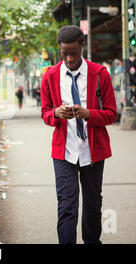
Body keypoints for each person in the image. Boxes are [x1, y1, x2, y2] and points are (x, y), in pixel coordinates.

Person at [40, 25, 117, 244]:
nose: (70, 58)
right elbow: (45, 114)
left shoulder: (100, 74)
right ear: (59, 50)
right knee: (67, 206)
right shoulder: (50, 76)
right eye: (65, 54)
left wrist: (88, 114)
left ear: (83, 46)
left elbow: (111, 114)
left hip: (93, 152)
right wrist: (56, 113)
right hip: (64, 153)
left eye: (74, 53)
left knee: (93, 205)